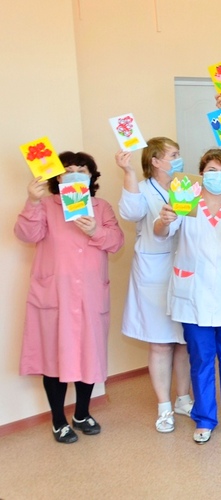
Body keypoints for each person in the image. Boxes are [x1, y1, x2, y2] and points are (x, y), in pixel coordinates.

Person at [15, 151, 124, 443]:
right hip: (55, 297)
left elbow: (116, 242)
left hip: (90, 295)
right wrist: (32, 201)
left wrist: (96, 230)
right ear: (57, 176)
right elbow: (27, 234)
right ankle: (58, 420)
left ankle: (82, 413)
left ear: (91, 177)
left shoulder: (100, 207)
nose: (75, 173)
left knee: (89, 356)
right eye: (68, 169)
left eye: (82, 170)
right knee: (54, 359)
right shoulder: (46, 206)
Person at [154, 149, 221, 444]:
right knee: (200, 360)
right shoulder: (185, 200)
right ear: (201, 173)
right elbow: (162, 232)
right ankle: (205, 418)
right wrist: (163, 219)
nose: (218, 176)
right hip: (194, 293)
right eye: (212, 170)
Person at [116, 139, 194, 433]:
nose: (179, 158)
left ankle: (183, 399)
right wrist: (128, 172)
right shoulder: (143, 189)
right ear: (156, 161)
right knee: (160, 342)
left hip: (185, 268)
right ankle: (164, 407)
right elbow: (130, 212)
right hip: (153, 273)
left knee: (184, 340)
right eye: (174, 155)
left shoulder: (186, 187)